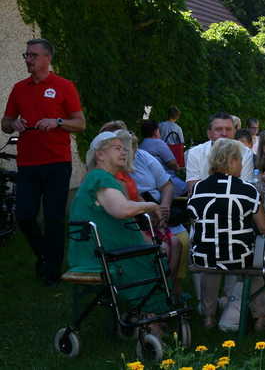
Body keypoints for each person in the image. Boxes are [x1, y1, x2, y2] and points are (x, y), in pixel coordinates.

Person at [1, 38, 86, 286]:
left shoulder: (64, 86)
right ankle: (44, 255)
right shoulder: (19, 88)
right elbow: (5, 122)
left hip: (57, 163)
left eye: (33, 55)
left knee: (53, 218)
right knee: (24, 215)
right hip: (28, 163)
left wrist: (57, 122)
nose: (28, 59)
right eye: (26, 55)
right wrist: (12, 124)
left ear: (47, 58)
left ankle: (53, 272)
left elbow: (80, 123)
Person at [67, 132, 167, 320]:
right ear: (100, 155)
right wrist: (152, 205)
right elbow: (121, 210)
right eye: (117, 148)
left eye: (124, 149)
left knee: (155, 253)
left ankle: (148, 314)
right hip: (96, 254)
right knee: (150, 260)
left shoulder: (106, 179)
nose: (124, 152)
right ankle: (150, 319)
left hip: (106, 247)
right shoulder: (99, 178)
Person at [187, 138, 265, 332]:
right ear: (231, 161)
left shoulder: (198, 188)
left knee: (211, 266)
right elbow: (264, 227)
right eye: (240, 161)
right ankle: (260, 318)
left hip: (205, 254)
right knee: (256, 269)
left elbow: (194, 219)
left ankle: (208, 317)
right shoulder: (248, 190)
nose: (242, 165)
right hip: (239, 255)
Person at [186, 112, 254, 193]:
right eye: (218, 129)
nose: (224, 134)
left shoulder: (245, 152)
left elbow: (245, 186)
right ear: (209, 133)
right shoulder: (195, 153)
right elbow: (193, 189)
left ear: (235, 132)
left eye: (228, 129)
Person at [139, 120, 187, 197]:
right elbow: (172, 163)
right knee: (188, 188)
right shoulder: (158, 143)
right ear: (155, 132)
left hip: (147, 181)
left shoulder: (141, 145)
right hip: (165, 180)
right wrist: (179, 169)